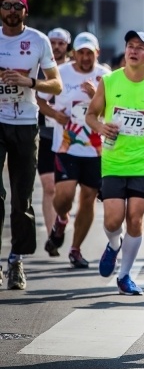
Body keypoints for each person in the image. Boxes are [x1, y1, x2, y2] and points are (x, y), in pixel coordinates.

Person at [85, 30, 144, 295]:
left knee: (135, 218)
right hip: (113, 161)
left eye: (140, 47)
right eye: (130, 46)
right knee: (114, 221)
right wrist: (101, 128)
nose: (133, 50)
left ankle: (124, 275)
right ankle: (114, 244)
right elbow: (91, 115)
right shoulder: (109, 81)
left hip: (142, 162)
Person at [0, 0, 63, 290]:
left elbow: (57, 85)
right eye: (6, 5)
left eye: (17, 6)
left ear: (25, 11)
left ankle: (16, 260)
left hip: (26, 123)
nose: (11, 10)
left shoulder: (38, 40)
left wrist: (29, 81)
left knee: (22, 197)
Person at [40, 32, 110, 268]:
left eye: (90, 52)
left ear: (96, 53)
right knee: (64, 197)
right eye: (81, 52)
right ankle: (61, 220)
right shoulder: (61, 73)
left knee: (88, 198)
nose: (85, 57)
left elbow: (115, 110)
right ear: (74, 53)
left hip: (96, 149)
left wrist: (96, 96)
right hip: (66, 145)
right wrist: (53, 114)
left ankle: (75, 249)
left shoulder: (105, 76)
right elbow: (39, 99)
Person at [37, 28, 72, 237]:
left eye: (61, 43)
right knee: (49, 186)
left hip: (70, 137)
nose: (57, 47)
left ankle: (62, 219)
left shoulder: (73, 69)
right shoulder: (39, 67)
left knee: (66, 190)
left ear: (67, 45)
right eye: (53, 43)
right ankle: (52, 235)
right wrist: (51, 112)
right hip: (43, 132)